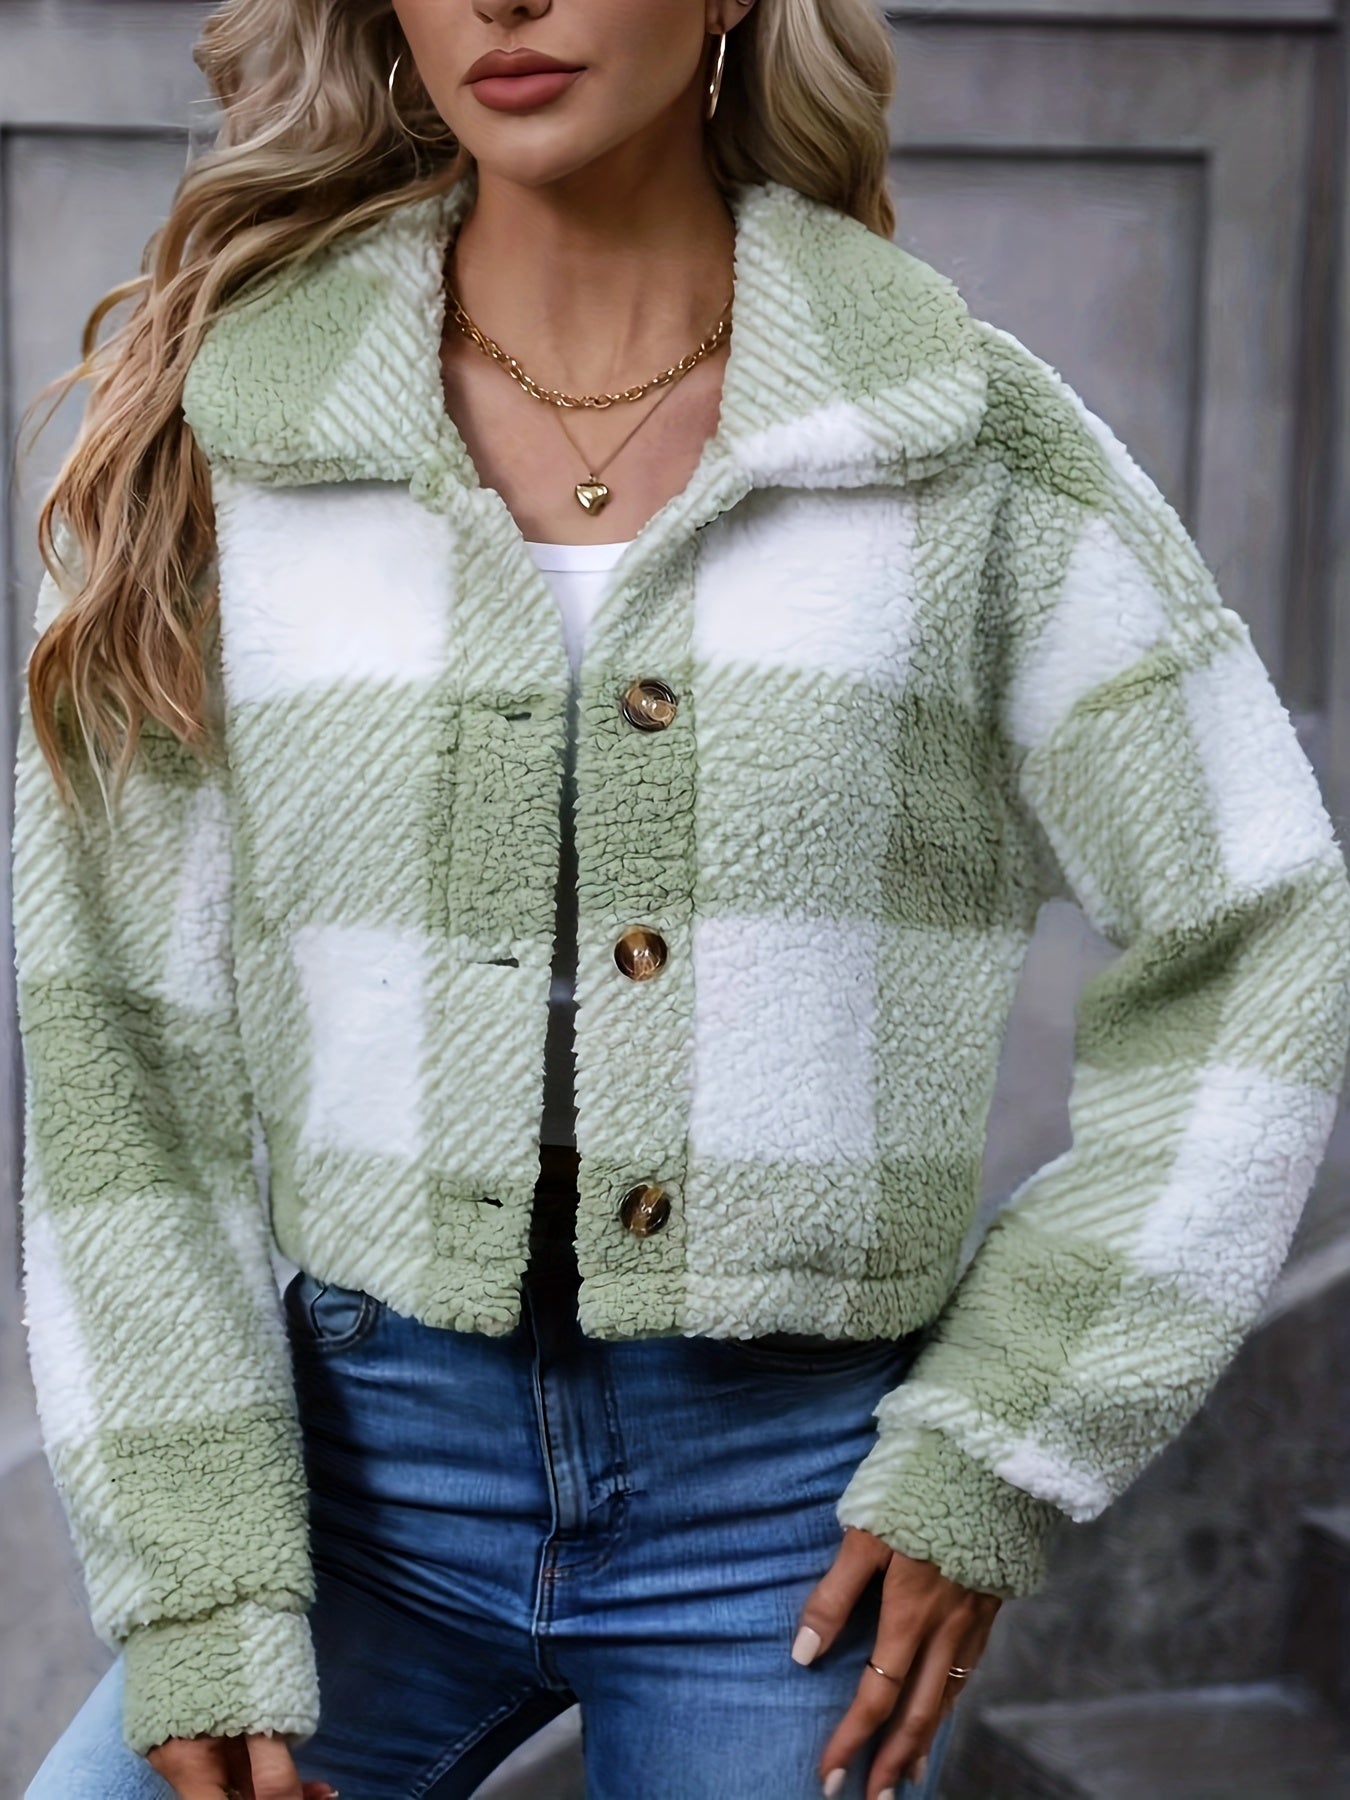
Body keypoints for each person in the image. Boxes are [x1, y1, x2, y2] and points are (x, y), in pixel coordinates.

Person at [14, 1, 1350, 1797]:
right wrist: (196, 1584)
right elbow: (121, 1059)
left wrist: (997, 1449)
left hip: (787, 1509)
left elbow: (1254, 930)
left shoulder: (957, 439)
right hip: (350, 1478)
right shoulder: (236, 441)